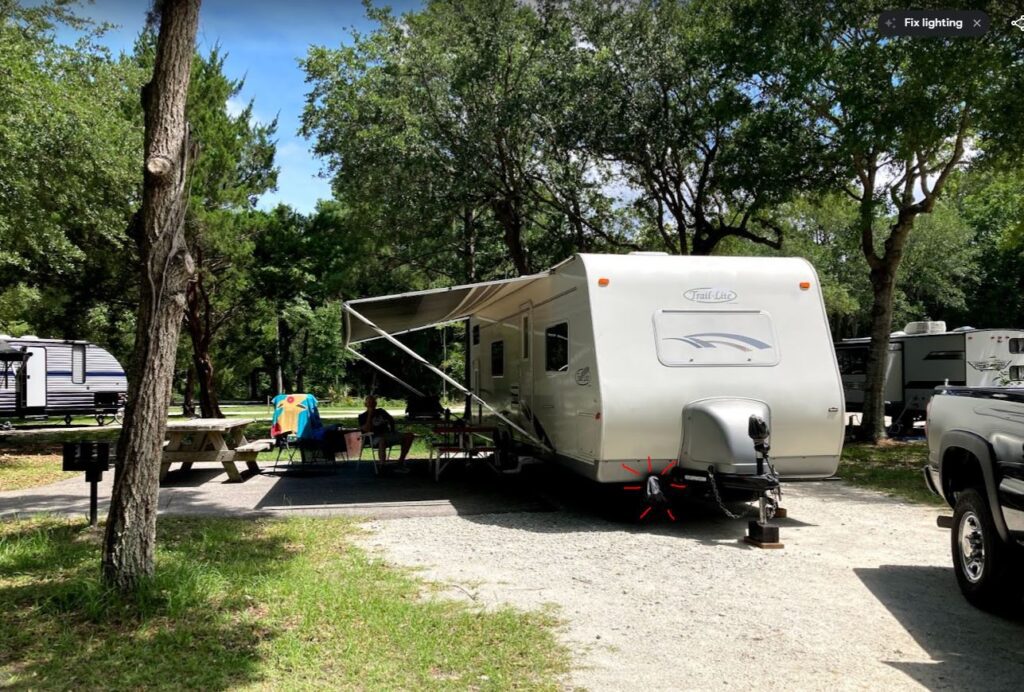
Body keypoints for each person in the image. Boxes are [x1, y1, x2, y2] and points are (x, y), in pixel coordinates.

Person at [358, 395, 415, 469]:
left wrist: (392, 430)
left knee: (409, 435)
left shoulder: (381, 411)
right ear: (365, 404)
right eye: (369, 402)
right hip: (374, 437)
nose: (372, 404)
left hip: (388, 435)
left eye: (373, 402)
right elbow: (366, 429)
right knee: (382, 440)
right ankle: (382, 466)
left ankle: (400, 461)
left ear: (376, 404)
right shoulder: (362, 416)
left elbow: (391, 420)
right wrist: (370, 414)